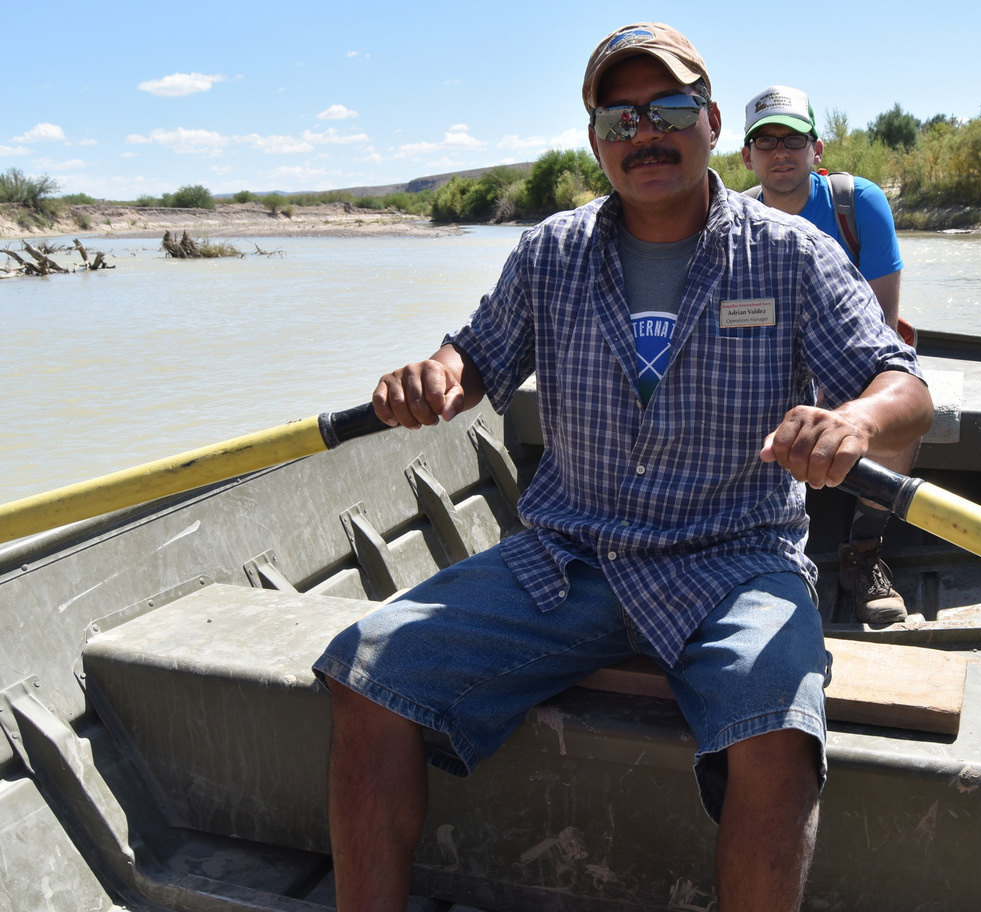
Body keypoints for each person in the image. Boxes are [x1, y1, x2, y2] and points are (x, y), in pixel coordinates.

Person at [314, 22, 933, 912]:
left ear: (712, 122)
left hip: (736, 558)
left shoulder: (791, 252)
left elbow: (904, 389)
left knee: (778, 730)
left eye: (670, 109)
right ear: (597, 141)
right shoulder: (551, 252)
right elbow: (475, 356)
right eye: (620, 118)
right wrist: (437, 377)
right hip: (572, 557)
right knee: (365, 670)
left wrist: (854, 420)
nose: (645, 133)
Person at [742, 84, 913, 625]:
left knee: (898, 405)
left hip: (846, 358)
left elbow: (882, 325)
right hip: (771, 361)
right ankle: (740, 539)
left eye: (793, 139)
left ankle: (864, 551)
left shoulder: (857, 204)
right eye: (765, 142)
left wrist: (830, 400)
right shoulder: (734, 218)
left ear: (817, 150)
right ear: (747, 156)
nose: (780, 152)